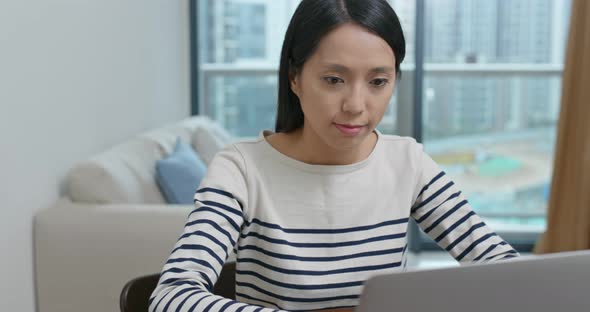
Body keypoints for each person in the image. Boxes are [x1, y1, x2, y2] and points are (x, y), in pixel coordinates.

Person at [149, 0, 519, 311]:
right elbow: (171, 296)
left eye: (378, 82)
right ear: (295, 78)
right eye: (333, 80)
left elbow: (503, 268)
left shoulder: (408, 162)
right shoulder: (241, 170)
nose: (356, 105)